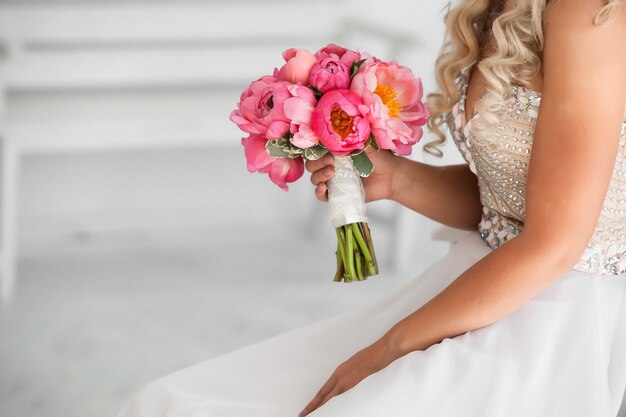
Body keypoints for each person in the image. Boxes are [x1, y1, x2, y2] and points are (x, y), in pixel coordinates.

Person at [117, 0, 626, 416]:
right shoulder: (497, 7)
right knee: (175, 401)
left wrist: (389, 349)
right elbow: (510, 205)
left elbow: (554, 242)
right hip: (480, 278)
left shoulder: (587, 13)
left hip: (550, 314)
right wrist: (399, 178)